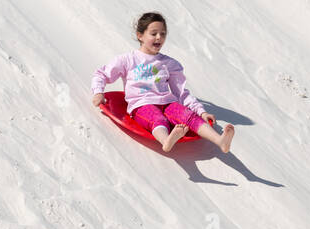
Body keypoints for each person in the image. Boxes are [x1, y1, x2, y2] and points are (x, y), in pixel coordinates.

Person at [91, 12, 235, 153]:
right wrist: (98, 92)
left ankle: (219, 141)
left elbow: (182, 93)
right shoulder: (128, 59)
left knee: (187, 116)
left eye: (163, 34)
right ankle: (166, 141)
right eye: (153, 34)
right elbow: (101, 74)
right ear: (140, 35)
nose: (159, 37)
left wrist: (201, 112)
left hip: (167, 103)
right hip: (141, 104)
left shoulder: (169, 63)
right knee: (157, 118)